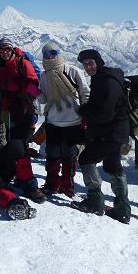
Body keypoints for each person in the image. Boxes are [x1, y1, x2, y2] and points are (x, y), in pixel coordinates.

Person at [74, 49, 131, 223]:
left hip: (112, 133)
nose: (88, 67)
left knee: (86, 158)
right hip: (115, 132)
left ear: (98, 62)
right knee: (113, 165)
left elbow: (105, 113)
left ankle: (95, 200)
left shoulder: (108, 82)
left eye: (91, 63)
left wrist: (84, 111)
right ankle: (122, 208)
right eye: (85, 64)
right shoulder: (102, 78)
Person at [0, 36, 45, 202]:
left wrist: (26, 96)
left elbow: (35, 83)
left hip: (24, 112)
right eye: (2, 50)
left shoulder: (22, 63)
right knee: (15, 146)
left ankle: (31, 185)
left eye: (7, 49)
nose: (5, 52)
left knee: (20, 148)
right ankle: (20, 177)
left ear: (12, 49)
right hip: (9, 112)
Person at [38, 42, 90, 197]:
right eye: (46, 54)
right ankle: (52, 184)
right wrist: (35, 91)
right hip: (53, 121)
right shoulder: (44, 76)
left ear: (59, 53)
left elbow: (85, 93)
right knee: (52, 155)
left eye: (53, 53)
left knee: (69, 156)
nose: (50, 57)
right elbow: (43, 99)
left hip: (73, 121)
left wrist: (86, 113)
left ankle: (67, 186)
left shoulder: (73, 71)